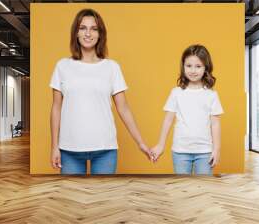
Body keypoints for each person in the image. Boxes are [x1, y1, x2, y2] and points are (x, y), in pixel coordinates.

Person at [50, 8, 151, 174]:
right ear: (76, 33)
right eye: (82, 28)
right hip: (69, 149)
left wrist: (140, 143)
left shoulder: (112, 67)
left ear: (100, 34)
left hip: (105, 149)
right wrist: (54, 147)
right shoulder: (62, 66)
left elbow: (123, 108)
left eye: (94, 29)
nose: (88, 33)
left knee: (104, 199)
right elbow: (56, 108)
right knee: (70, 199)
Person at [150, 44, 223, 175]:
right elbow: (168, 120)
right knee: (182, 189)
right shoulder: (176, 93)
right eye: (189, 66)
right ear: (183, 66)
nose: (193, 70)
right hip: (180, 151)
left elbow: (215, 123)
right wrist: (160, 145)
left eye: (198, 66)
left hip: (204, 151)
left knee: (204, 189)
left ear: (206, 68)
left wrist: (216, 149)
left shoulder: (211, 94)